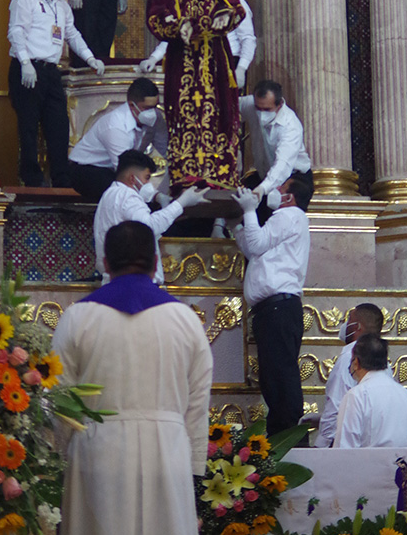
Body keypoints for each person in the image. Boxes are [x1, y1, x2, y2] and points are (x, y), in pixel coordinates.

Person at [52, 220, 214, 535]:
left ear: (105, 262)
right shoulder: (185, 320)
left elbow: (58, 399)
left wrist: (61, 452)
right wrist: (192, 464)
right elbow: (197, 402)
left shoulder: (78, 317)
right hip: (166, 453)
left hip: (97, 453)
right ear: (156, 260)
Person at [145, 0, 245, 190]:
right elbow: (155, 19)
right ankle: (185, 176)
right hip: (182, 61)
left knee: (220, 113)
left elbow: (236, 9)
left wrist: (224, 18)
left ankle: (221, 176)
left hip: (215, 62)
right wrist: (179, 29)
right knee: (183, 114)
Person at [6, 0, 106, 188]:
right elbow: (16, 32)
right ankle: (31, 179)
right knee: (29, 126)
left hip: (52, 72)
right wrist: (25, 62)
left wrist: (90, 57)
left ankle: (61, 178)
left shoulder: (61, 6)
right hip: (27, 68)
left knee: (59, 125)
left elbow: (72, 34)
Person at [231, 176, 311, 438]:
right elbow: (254, 248)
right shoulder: (287, 220)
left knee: (280, 376)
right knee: (273, 376)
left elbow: (256, 244)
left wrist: (249, 210)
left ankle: (287, 436)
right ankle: (282, 431)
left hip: (279, 308)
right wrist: (239, 226)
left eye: (280, 188)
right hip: (274, 309)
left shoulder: (289, 215)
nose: (273, 192)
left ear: (289, 197)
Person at [93, 151, 207, 283]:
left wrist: (160, 199)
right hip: (134, 281)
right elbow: (148, 227)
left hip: (117, 278)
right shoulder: (128, 196)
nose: (148, 184)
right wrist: (181, 202)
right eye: (146, 178)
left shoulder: (109, 194)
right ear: (132, 178)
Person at [69, 77, 168, 202]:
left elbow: (166, 148)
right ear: (132, 105)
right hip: (87, 169)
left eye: (154, 107)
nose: (152, 113)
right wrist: (156, 197)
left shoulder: (156, 118)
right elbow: (126, 171)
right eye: (146, 108)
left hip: (113, 168)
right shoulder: (115, 126)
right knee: (123, 192)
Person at [138, 0, 256, 88]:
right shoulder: (190, 5)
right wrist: (153, 58)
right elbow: (176, 36)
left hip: (227, 62)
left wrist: (241, 68)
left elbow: (248, 39)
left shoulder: (235, 4)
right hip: (196, 62)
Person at [238, 79, 312, 225]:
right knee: (257, 222)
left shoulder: (291, 126)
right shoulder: (250, 105)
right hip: (264, 174)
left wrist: (261, 189)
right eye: (258, 109)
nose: (261, 114)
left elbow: (282, 166)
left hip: (294, 177)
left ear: (279, 105)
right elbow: (231, 103)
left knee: (285, 223)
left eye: (267, 110)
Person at [331, 333, 407, 449]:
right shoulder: (406, 395)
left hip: (368, 466)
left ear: (356, 362)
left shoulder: (356, 395)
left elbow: (345, 449)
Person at [316, 303, 385, 448]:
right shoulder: (385, 363)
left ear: (357, 326)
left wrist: (322, 446)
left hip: (346, 447)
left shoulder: (349, 357)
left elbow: (335, 408)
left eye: (348, 319)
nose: (345, 324)